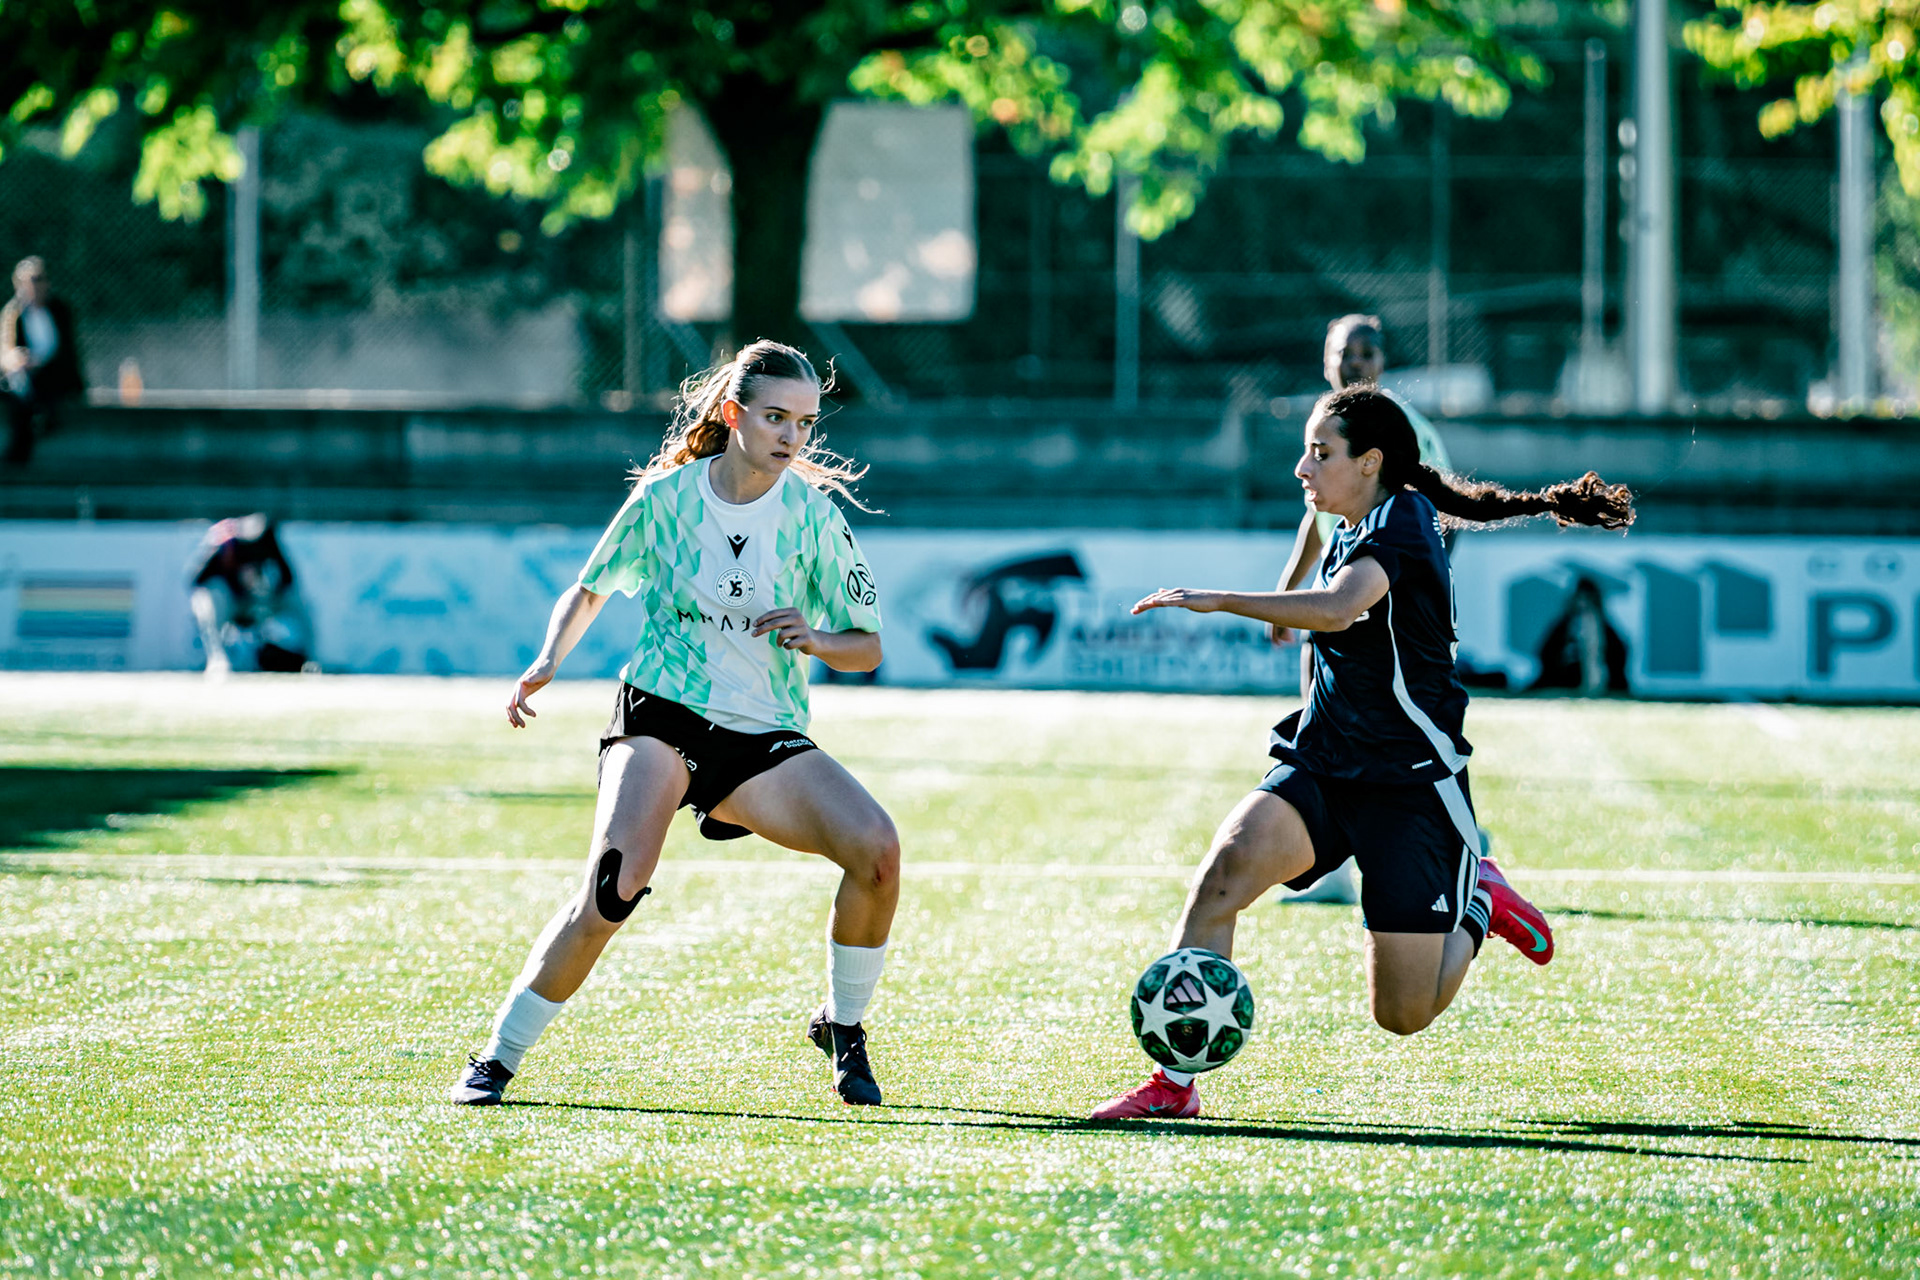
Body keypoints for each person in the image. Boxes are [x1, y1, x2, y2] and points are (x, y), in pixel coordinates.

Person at [1090, 385, 1633, 1120]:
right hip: (1324, 764)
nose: (1301, 469)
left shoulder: (1404, 521)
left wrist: (1219, 598)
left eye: (1320, 452)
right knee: (1222, 877)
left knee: (1403, 1014)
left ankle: (1477, 902)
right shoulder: (1348, 522)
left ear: (1371, 461)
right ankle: (1173, 1086)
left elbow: (1340, 606)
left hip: (1409, 784)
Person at [451, 340, 899, 1108]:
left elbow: (869, 648)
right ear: (733, 416)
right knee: (612, 889)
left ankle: (843, 1024)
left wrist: (818, 639)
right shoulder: (665, 501)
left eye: (805, 423)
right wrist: (548, 657)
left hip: (762, 735)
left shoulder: (816, 520)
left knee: (878, 852)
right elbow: (589, 589)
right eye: (775, 417)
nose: (792, 436)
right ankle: (497, 1057)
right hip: (662, 713)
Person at [1270, 314, 1453, 905]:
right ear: (1327, 359)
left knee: (1402, 731)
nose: (1357, 363)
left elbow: (1442, 512)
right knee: (1322, 719)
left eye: (1368, 353)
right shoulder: (1327, 430)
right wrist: (1286, 593)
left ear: (1383, 362)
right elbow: (1315, 524)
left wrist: (1418, 592)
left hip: (1383, 606)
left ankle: (1457, 844)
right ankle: (1333, 869)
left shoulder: (1406, 430)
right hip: (1338, 599)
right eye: (1346, 352)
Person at [187, 514, 315, 674]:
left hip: (258, 601)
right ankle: (217, 659)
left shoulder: (267, 538)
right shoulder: (225, 541)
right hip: (232, 602)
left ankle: (311, 661)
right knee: (210, 596)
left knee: (296, 600)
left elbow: (288, 577)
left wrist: (266, 592)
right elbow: (195, 579)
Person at [1, 257, 85, 466]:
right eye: (30, 281)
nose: (35, 287)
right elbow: (7, 350)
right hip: (25, 376)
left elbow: (66, 351)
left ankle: (22, 448)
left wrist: (39, 363)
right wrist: (19, 359)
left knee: (32, 391)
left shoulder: (59, 310)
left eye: (39, 280)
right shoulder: (14, 313)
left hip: (55, 374)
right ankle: (22, 447)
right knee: (19, 388)